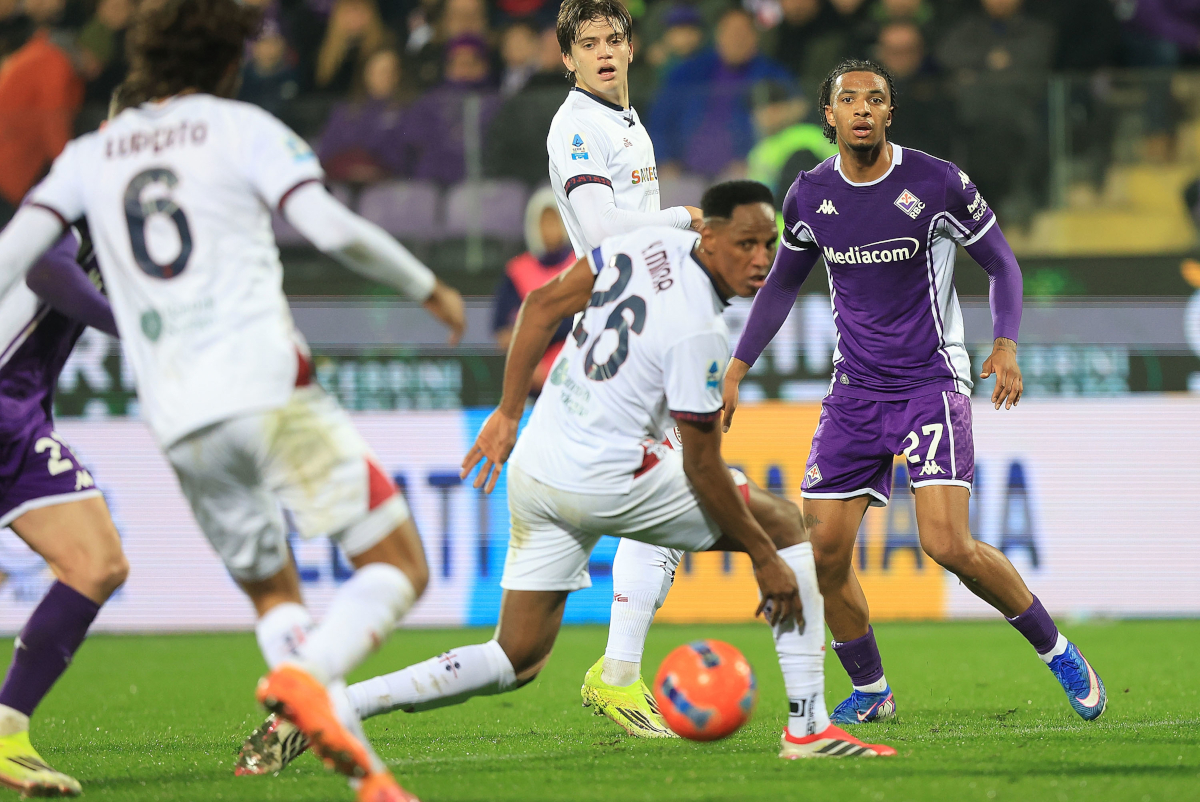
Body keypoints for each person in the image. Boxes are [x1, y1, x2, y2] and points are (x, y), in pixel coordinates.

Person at [240, 182, 899, 772]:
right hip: (607, 476)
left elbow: (540, 304)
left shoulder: (641, 244)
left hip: (538, 463)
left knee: (515, 657)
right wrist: (764, 559)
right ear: (709, 235)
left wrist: (506, 413)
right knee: (785, 524)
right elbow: (701, 466)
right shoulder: (699, 329)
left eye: (770, 246)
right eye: (746, 243)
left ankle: (330, 704)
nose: (762, 260)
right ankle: (809, 727)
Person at [0, 1, 467, 799]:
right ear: (229, 61)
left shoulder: (87, 155)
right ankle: (309, 678)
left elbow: (15, 249)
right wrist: (428, 285)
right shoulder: (241, 126)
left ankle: (373, 779)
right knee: (399, 565)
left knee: (249, 587)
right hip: (265, 390)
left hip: (180, 421)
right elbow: (327, 224)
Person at [722, 59, 1107, 727]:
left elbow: (1003, 264)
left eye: (876, 98)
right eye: (850, 99)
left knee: (947, 545)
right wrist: (735, 366)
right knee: (825, 550)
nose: (863, 108)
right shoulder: (809, 195)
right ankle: (871, 690)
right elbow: (782, 285)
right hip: (854, 392)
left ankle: (1058, 649)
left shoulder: (936, 182)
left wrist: (1006, 342)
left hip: (930, 382)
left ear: (890, 113)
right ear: (830, 116)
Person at [0, 222, 129, 797]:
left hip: (21, 417)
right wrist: (141, 331)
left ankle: (6, 732)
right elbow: (46, 269)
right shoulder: (72, 196)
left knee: (96, 563)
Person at [649, 8, 796, 179]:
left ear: (755, 37)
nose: (737, 39)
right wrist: (664, 159)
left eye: (743, 32)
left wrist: (752, 158)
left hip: (743, 170)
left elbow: (796, 109)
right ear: (718, 36)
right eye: (730, 32)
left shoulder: (772, 75)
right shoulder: (688, 73)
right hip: (682, 172)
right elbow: (658, 121)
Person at [491, 188, 577, 394]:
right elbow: (502, 330)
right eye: (543, 222)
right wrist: (530, 366)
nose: (549, 229)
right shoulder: (517, 272)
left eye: (554, 221)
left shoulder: (579, 265)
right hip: (532, 377)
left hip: (577, 373)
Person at [317, 48, 409, 183]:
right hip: (341, 181)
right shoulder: (345, 111)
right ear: (366, 74)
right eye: (377, 71)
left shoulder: (407, 112)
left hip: (384, 185)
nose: (383, 77)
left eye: (388, 71)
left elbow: (402, 158)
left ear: (397, 75)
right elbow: (326, 151)